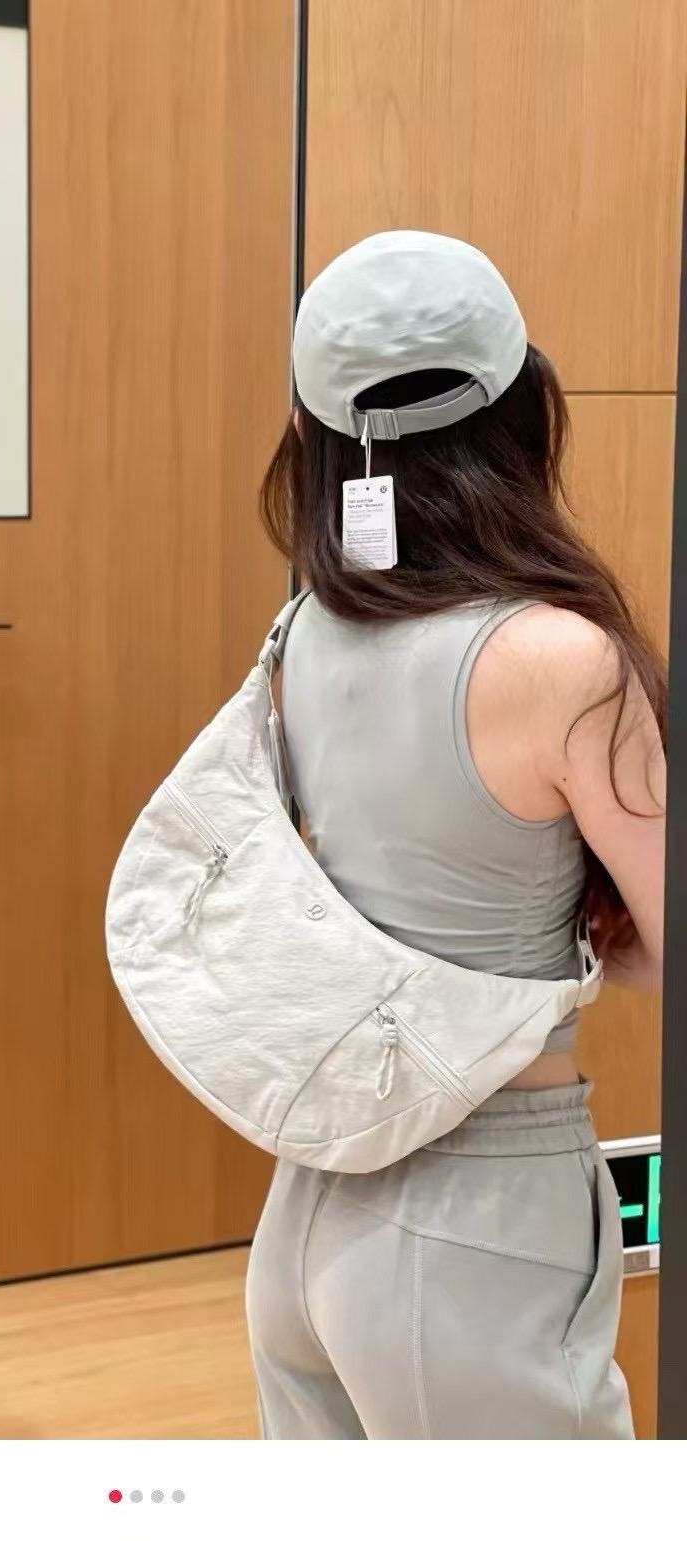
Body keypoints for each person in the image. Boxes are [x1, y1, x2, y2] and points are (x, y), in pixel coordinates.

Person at [244, 232, 665, 1440]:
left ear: (314, 431)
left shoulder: (305, 631)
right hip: (482, 1207)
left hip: (312, 1204)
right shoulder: (561, 659)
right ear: (527, 402)